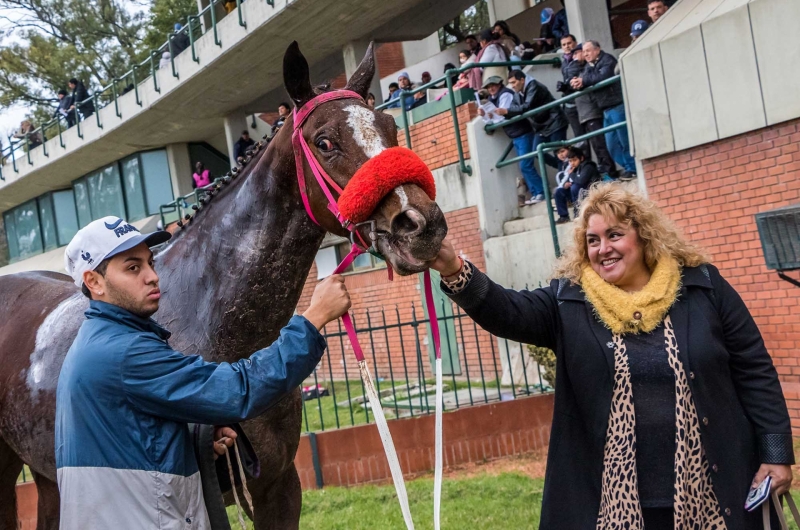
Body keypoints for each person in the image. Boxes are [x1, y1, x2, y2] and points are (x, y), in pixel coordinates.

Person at [431, 182, 794, 530]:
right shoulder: (568, 301)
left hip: (713, 490)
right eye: (592, 240)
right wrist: (454, 269)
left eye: (614, 235)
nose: (603, 248)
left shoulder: (703, 287)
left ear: (644, 237)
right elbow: (508, 311)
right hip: (611, 503)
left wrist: (775, 452)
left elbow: (754, 369)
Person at [56, 217, 350, 528]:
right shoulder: (124, 352)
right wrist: (312, 319)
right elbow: (238, 390)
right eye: (133, 268)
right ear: (94, 282)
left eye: (149, 262)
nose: (152, 276)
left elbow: (128, 445)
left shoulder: (97, 341)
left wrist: (192, 444)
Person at [572, 40, 637, 179]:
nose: (585, 54)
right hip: (605, 109)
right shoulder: (590, 66)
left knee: (624, 141)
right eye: (584, 52)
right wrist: (578, 82)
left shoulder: (608, 60)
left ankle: (633, 169)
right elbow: (587, 78)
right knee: (611, 145)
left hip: (617, 105)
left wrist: (584, 81)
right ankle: (628, 167)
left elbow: (603, 76)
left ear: (597, 49)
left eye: (588, 51)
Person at [504, 69, 569, 204]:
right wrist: (504, 112)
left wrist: (507, 111)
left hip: (555, 121)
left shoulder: (534, 86)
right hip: (541, 127)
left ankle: (568, 178)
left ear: (522, 80)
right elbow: (514, 109)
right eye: (510, 83)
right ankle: (562, 168)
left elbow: (526, 106)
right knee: (537, 152)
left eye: (514, 82)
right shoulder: (518, 93)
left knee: (561, 152)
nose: (513, 86)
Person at [562, 43, 617, 178]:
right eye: (574, 54)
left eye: (579, 52)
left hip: (594, 110)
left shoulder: (593, 65)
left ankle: (611, 173)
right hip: (585, 112)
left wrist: (579, 78)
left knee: (603, 145)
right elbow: (578, 81)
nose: (577, 56)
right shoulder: (581, 68)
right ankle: (605, 173)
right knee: (598, 146)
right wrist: (569, 84)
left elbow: (595, 78)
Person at [479, 76, 535, 206]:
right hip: (516, 135)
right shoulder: (494, 98)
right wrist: (485, 116)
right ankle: (537, 192)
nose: (491, 88)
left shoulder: (505, 95)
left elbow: (503, 115)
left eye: (493, 85)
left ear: (499, 84)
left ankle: (540, 192)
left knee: (526, 165)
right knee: (527, 165)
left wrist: (490, 117)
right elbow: (496, 117)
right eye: (488, 87)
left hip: (522, 132)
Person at [554, 146, 600, 223]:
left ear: (581, 158)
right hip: (579, 193)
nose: (572, 163)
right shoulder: (576, 168)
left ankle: (578, 213)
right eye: (570, 161)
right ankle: (563, 216)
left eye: (574, 160)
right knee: (559, 191)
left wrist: (571, 174)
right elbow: (577, 180)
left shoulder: (588, 166)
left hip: (591, 193)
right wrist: (567, 184)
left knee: (575, 187)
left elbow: (581, 181)